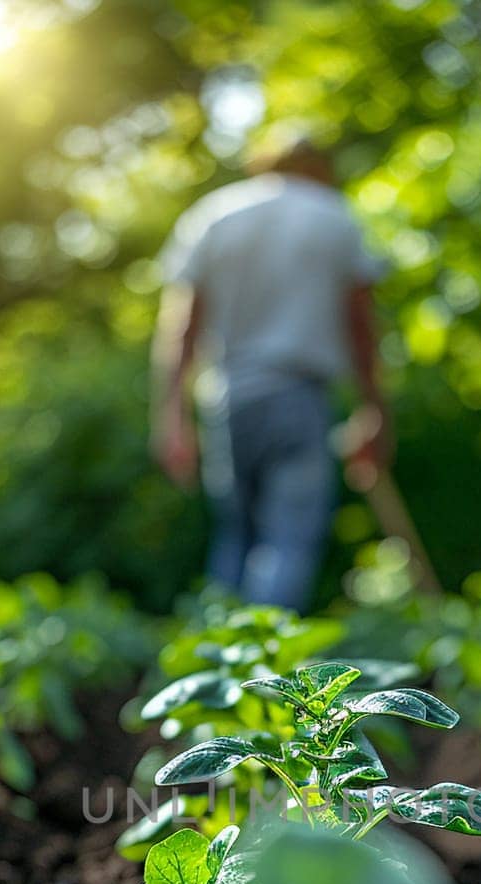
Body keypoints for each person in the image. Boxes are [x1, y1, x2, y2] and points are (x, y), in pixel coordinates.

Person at [150, 136, 389, 612]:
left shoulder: (215, 213)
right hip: (299, 395)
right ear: (319, 167)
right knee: (289, 539)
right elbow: (361, 326)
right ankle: (266, 675)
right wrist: (374, 408)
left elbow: (181, 328)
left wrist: (171, 416)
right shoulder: (334, 217)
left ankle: (218, 667)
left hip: (228, 394)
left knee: (236, 535)